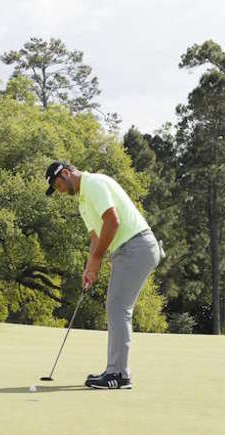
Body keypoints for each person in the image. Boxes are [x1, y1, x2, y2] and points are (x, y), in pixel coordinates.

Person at [45, 161, 164, 390]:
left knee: (118, 308)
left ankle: (118, 374)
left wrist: (97, 259)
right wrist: (90, 267)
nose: (59, 191)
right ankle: (115, 370)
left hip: (136, 246)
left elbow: (113, 221)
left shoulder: (95, 184)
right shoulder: (82, 202)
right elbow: (95, 237)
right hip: (127, 250)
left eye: (58, 185)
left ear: (67, 174)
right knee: (115, 307)